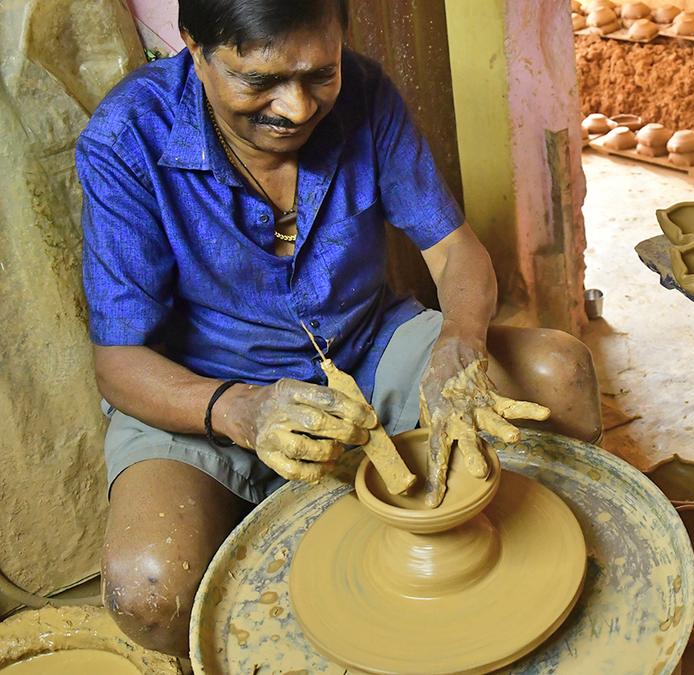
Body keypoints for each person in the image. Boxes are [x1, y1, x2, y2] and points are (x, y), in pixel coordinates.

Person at [78, 0, 601, 654]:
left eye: (318, 74)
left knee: (555, 376)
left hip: (366, 344)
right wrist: (242, 411)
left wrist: (459, 345)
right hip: (205, 387)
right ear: (193, 46)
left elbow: (455, 253)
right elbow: (120, 362)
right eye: (260, 81)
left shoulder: (367, 93)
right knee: (150, 589)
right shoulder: (127, 139)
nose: (297, 108)